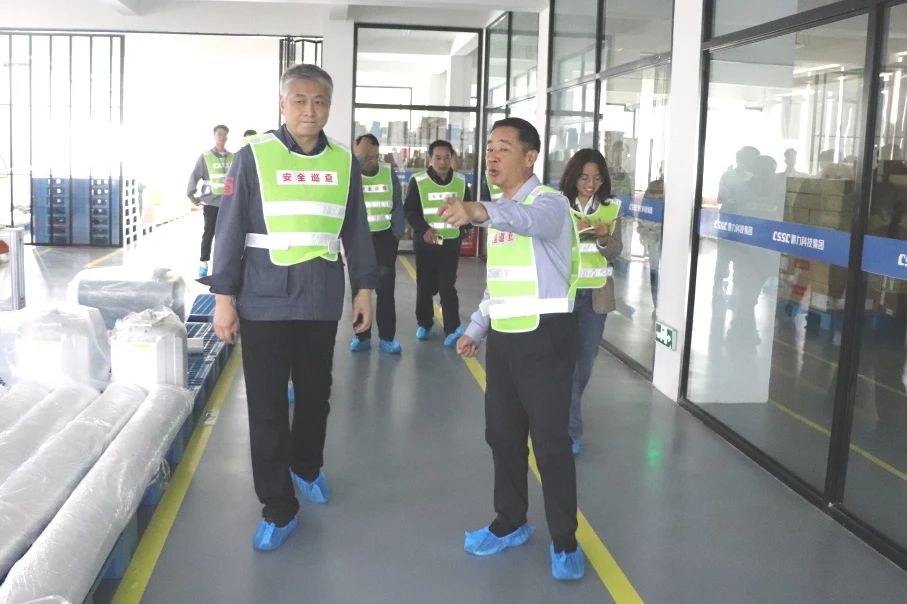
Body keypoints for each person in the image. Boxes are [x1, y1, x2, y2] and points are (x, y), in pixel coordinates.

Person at [206, 63, 377, 552]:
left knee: (316, 394)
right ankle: (278, 506)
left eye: (319, 101)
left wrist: (364, 289)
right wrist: (224, 299)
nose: (309, 110)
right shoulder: (253, 156)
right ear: (282, 104)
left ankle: (306, 466)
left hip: (320, 296)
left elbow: (356, 228)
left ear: (329, 107)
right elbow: (229, 229)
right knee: (266, 405)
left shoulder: (343, 162)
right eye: (299, 100)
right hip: (263, 298)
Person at [441, 117, 585, 581]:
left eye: (503, 147)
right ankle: (510, 521)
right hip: (504, 338)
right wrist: (476, 329)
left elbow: (530, 222)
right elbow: (498, 283)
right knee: (502, 437)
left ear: (530, 156)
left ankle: (565, 540)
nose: (492, 156)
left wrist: (477, 210)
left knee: (550, 443)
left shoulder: (549, 204)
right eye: (489, 147)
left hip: (546, 337)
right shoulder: (500, 213)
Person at [559, 149, 622, 456]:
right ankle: (571, 428)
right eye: (584, 177)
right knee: (566, 364)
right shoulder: (558, 205)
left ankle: (565, 409)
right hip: (564, 295)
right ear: (573, 176)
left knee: (584, 363)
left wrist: (603, 237)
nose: (590, 183)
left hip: (595, 298)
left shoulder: (610, 208)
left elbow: (615, 252)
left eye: (596, 178)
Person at [404, 139, 472, 347]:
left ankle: (452, 328)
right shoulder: (419, 181)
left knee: (447, 285)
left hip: (450, 242)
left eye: (446, 158)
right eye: (438, 158)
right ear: (430, 159)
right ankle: (424, 323)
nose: (442, 162)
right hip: (426, 243)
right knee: (425, 285)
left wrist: (466, 228)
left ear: (452, 158)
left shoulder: (460, 181)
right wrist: (423, 229)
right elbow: (410, 211)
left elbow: (468, 208)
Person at [350, 133, 405, 353]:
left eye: (374, 156)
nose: (371, 161)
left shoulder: (387, 172)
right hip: (358, 240)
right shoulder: (350, 172)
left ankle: (387, 338)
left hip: (384, 239)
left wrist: (396, 234)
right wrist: (358, 160)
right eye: (367, 157)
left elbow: (397, 204)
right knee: (359, 290)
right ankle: (362, 336)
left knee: (385, 290)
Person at [187, 124, 234, 278]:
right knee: (209, 232)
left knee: (226, 235)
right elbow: (195, 175)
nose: (221, 137)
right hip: (211, 202)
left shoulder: (233, 157)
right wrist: (191, 194)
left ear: (227, 138)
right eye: (219, 134)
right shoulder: (205, 157)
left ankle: (222, 265)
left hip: (228, 203)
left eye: (224, 134)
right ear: (214, 136)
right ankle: (204, 262)